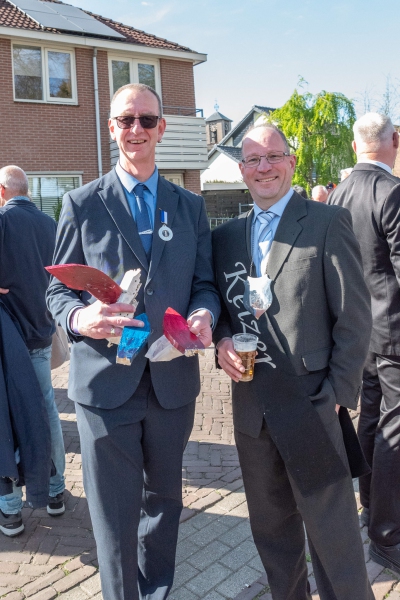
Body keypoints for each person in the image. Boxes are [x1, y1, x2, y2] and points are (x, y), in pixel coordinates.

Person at [47, 83, 220, 600]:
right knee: (114, 515)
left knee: (164, 505)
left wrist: (204, 312)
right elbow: (56, 289)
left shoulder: (189, 206)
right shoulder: (81, 203)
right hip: (105, 385)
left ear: (161, 128)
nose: (136, 129)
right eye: (126, 120)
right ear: (112, 128)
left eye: (146, 120)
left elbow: (205, 283)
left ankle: (157, 593)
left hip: (171, 382)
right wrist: (80, 317)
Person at [212, 123, 374, 599]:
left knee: (334, 540)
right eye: (253, 159)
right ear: (242, 170)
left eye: (273, 156)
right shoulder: (225, 237)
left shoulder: (327, 222)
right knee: (273, 536)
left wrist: (337, 396)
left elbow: (354, 318)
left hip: (312, 406)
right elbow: (220, 309)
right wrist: (221, 341)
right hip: (252, 410)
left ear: (291, 161)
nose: (264, 167)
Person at [330, 112, 400, 575]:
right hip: (394, 332)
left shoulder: (338, 194)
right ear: (393, 141)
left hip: (360, 332)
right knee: (394, 428)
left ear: (356, 146)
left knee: (372, 419)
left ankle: (371, 506)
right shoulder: (392, 192)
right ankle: (388, 535)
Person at [0, 165, 65, 537]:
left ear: (2, 191)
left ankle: (10, 508)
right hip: (41, 332)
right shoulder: (49, 224)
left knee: (7, 420)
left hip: (8, 341)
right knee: (47, 412)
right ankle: (55, 493)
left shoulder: (3, 222)